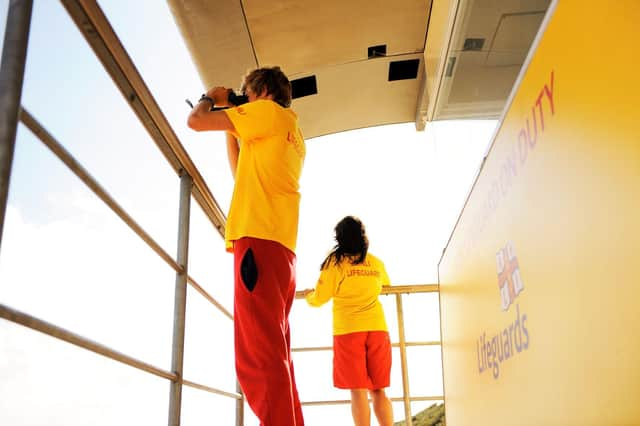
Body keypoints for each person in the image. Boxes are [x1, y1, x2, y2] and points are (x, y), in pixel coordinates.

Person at [188, 66, 305, 426]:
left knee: (258, 355)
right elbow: (241, 173)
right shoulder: (292, 130)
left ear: (264, 91)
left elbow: (195, 121)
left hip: (257, 242)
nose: (243, 96)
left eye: (246, 91)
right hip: (281, 251)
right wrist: (231, 125)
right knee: (276, 353)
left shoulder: (266, 112)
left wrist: (214, 98)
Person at [303, 216, 393, 426]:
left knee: (358, 390)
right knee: (379, 389)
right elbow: (387, 285)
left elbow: (320, 298)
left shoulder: (334, 263)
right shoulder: (376, 262)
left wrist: (309, 296)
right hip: (378, 329)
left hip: (349, 331)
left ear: (340, 238)